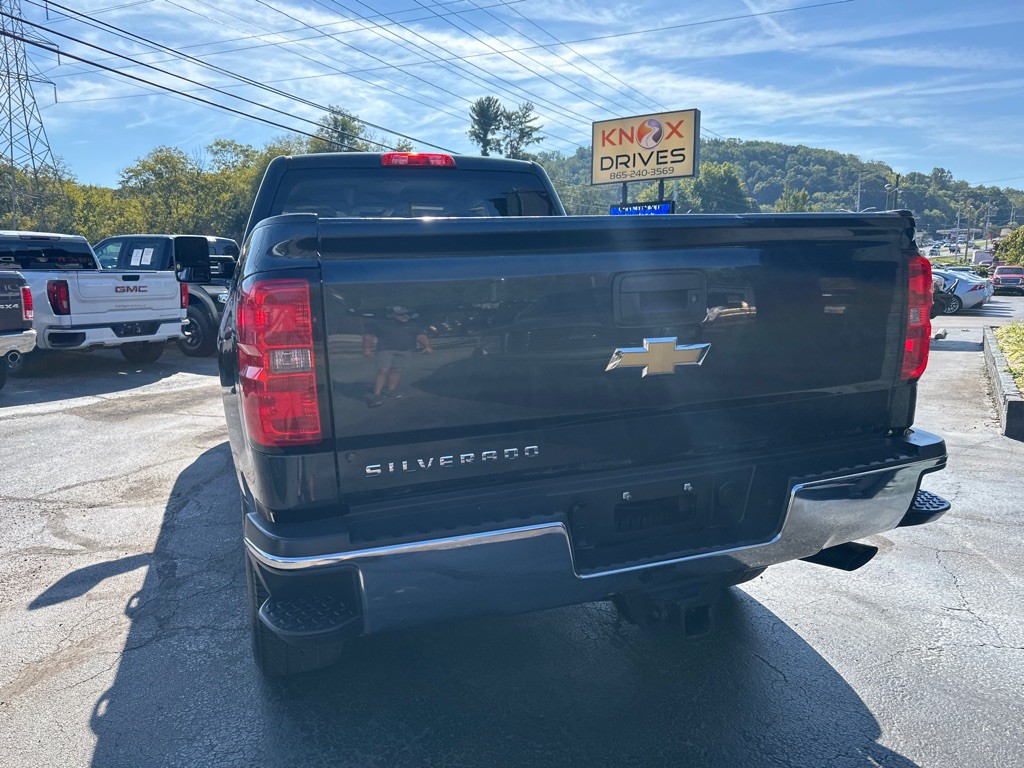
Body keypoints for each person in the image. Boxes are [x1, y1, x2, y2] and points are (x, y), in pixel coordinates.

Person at [362, 306, 433, 407]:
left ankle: (391, 390)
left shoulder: (413, 324)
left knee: (397, 370)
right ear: (391, 315)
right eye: (400, 314)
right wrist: (367, 349)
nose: (405, 316)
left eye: (406, 314)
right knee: (383, 370)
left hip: (405, 351)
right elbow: (369, 335)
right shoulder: (381, 324)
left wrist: (427, 346)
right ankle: (376, 395)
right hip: (385, 350)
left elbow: (420, 335)